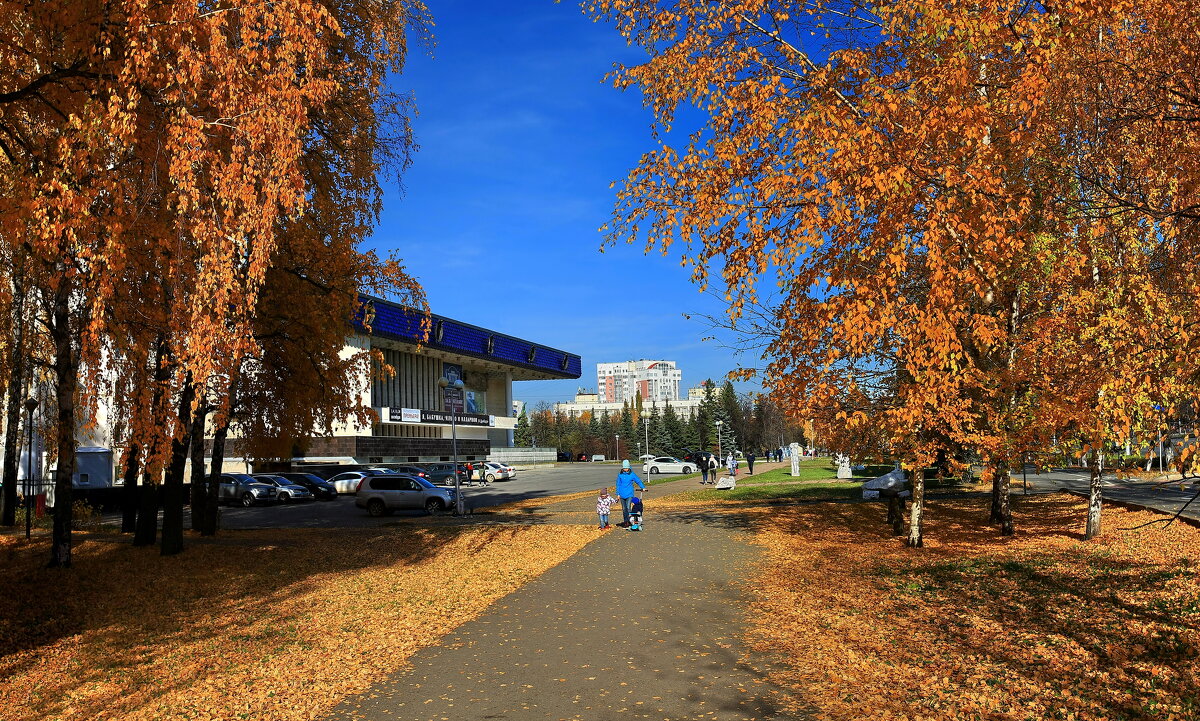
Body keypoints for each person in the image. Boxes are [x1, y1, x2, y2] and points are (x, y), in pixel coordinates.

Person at [614, 460, 647, 527]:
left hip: (629, 494)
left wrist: (643, 487)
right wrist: (618, 494)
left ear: (629, 467)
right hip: (622, 494)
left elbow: (638, 481)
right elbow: (618, 484)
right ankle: (626, 521)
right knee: (624, 509)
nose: (625, 469)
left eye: (626, 468)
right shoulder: (620, 475)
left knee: (628, 508)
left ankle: (630, 521)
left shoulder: (632, 474)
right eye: (624, 468)